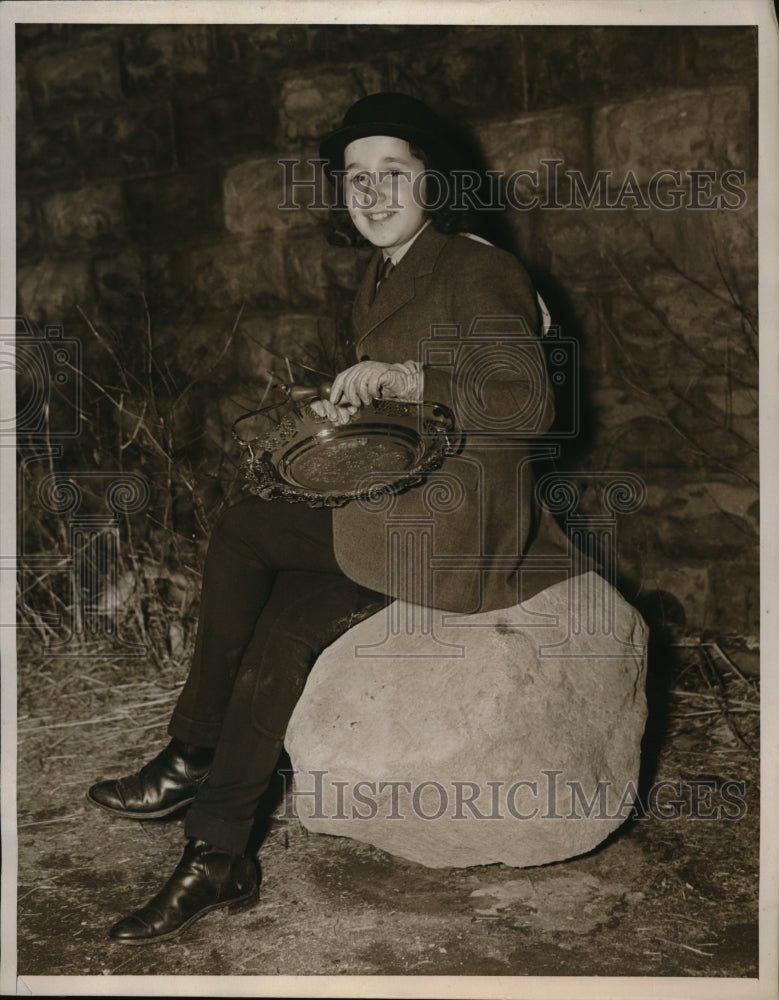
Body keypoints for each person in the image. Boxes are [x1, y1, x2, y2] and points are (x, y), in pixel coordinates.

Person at [88, 92, 576, 944]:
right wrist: (355, 409)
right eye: (357, 177)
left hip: (456, 528)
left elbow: (528, 402)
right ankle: (218, 855)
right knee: (281, 626)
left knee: (245, 530)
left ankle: (192, 754)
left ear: (438, 183)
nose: (373, 194)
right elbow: (414, 406)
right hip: (403, 501)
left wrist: (405, 379)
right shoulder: (385, 268)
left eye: (394, 173)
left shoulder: (474, 264)